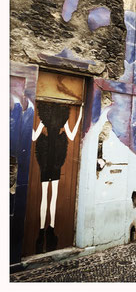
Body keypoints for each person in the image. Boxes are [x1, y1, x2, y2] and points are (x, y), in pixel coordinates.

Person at [32, 102, 82, 253]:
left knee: (45, 197)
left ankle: (42, 230)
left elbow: (34, 137)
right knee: (52, 196)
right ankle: (50, 228)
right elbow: (72, 136)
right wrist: (80, 114)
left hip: (46, 157)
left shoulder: (43, 120)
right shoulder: (63, 120)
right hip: (55, 159)